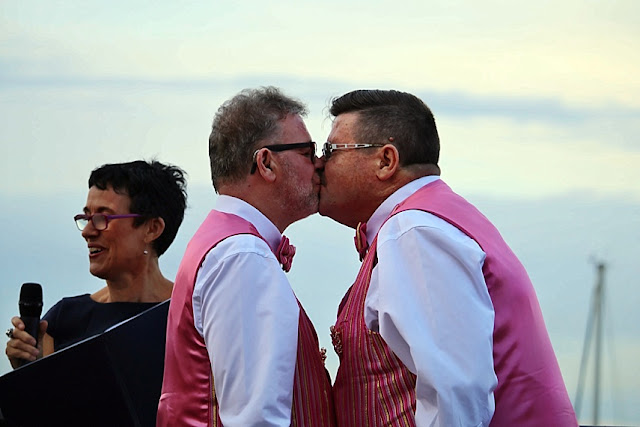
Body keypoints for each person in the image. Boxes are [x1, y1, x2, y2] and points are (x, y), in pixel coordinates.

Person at [318, 89, 577, 426]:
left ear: (386, 161)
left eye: (330, 150)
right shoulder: (435, 217)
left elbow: (454, 390)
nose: (318, 164)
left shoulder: (414, 230)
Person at [158, 87, 335, 426]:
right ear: (266, 163)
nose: (319, 164)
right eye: (307, 152)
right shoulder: (242, 254)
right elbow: (256, 417)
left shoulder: (225, 242)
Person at [5, 160, 187, 367]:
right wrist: (29, 368)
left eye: (103, 218)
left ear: (152, 229)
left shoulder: (190, 316)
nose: (87, 232)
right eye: (86, 218)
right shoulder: (63, 320)